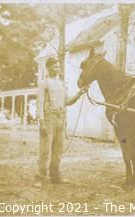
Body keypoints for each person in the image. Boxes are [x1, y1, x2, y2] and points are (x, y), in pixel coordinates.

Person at [34, 57, 86, 187]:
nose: (56, 69)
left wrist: (79, 94)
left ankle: (55, 176)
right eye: (54, 66)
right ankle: (39, 178)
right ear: (49, 68)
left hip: (60, 118)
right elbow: (39, 103)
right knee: (45, 151)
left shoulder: (61, 84)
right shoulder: (43, 83)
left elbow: (67, 101)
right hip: (48, 118)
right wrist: (41, 122)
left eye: (58, 66)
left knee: (58, 151)